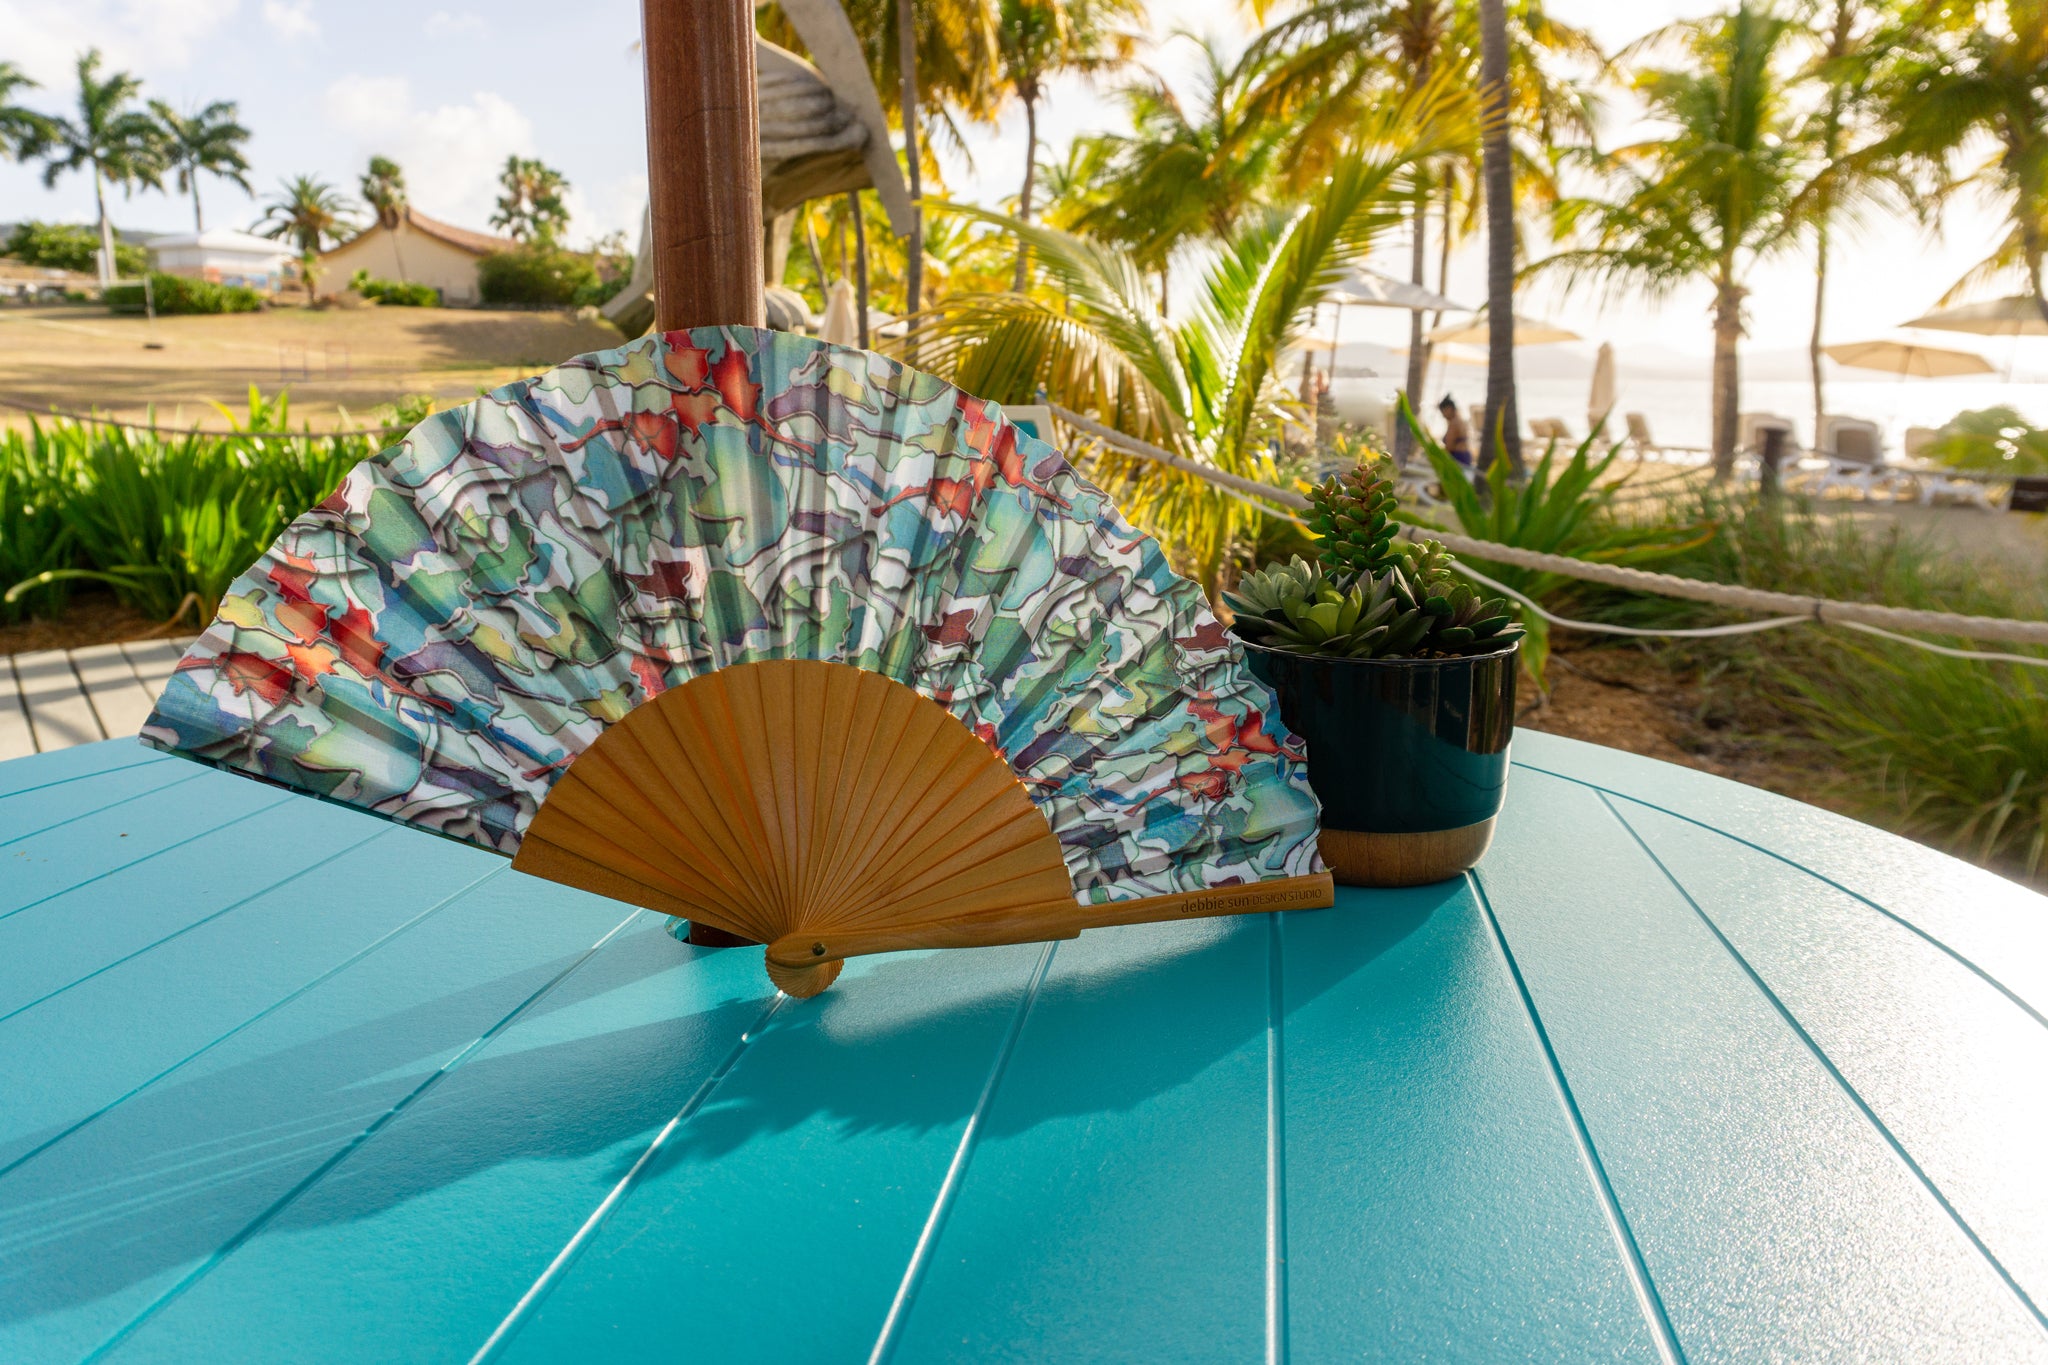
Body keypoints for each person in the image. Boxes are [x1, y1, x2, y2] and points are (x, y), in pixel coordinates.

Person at [1438, 394, 1473, 468]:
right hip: (1465, 456)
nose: (1443, 416)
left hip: (1458, 458)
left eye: (1443, 412)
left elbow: (1449, 446)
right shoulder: (1460, 420)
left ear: (1449, 409)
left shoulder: (1454, 424)